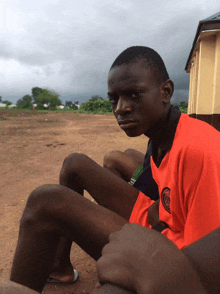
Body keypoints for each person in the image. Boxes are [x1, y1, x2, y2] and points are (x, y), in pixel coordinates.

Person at [10, 46, 220, 293]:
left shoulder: (199, 150)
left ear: (166, 91)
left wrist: (136, 260)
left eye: (134, 94)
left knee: (44, 203)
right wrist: (161, 212)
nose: (121, 107)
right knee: (66, 173)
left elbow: (203, 267)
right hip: (161, 224)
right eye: (114, 99)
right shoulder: (161, 135)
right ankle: (59, 265)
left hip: (169, 253)